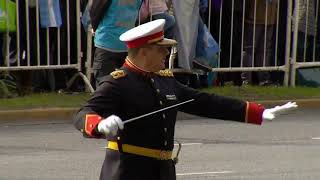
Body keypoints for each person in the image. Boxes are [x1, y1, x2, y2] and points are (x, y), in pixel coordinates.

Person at [73, 19, 298, 180]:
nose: (166, 55)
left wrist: (258, 112)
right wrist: (100, 124)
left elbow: (205, 102)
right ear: (144, 52)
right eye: (161, 50)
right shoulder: (118, 83)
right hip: (128, 172)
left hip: (163, 171)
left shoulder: (164, 80)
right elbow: (83, 113)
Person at [92, 0, 142, 87]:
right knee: (127, 85)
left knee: (104, 86)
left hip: (107, 41)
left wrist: (94, 27)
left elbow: (95, 12)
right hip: (128, 42)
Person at [242, 0, 278, 86]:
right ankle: (246, 80)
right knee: (249, 49)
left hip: (270, 18)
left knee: (264, 50)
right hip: (254, 17)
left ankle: (264, 79)